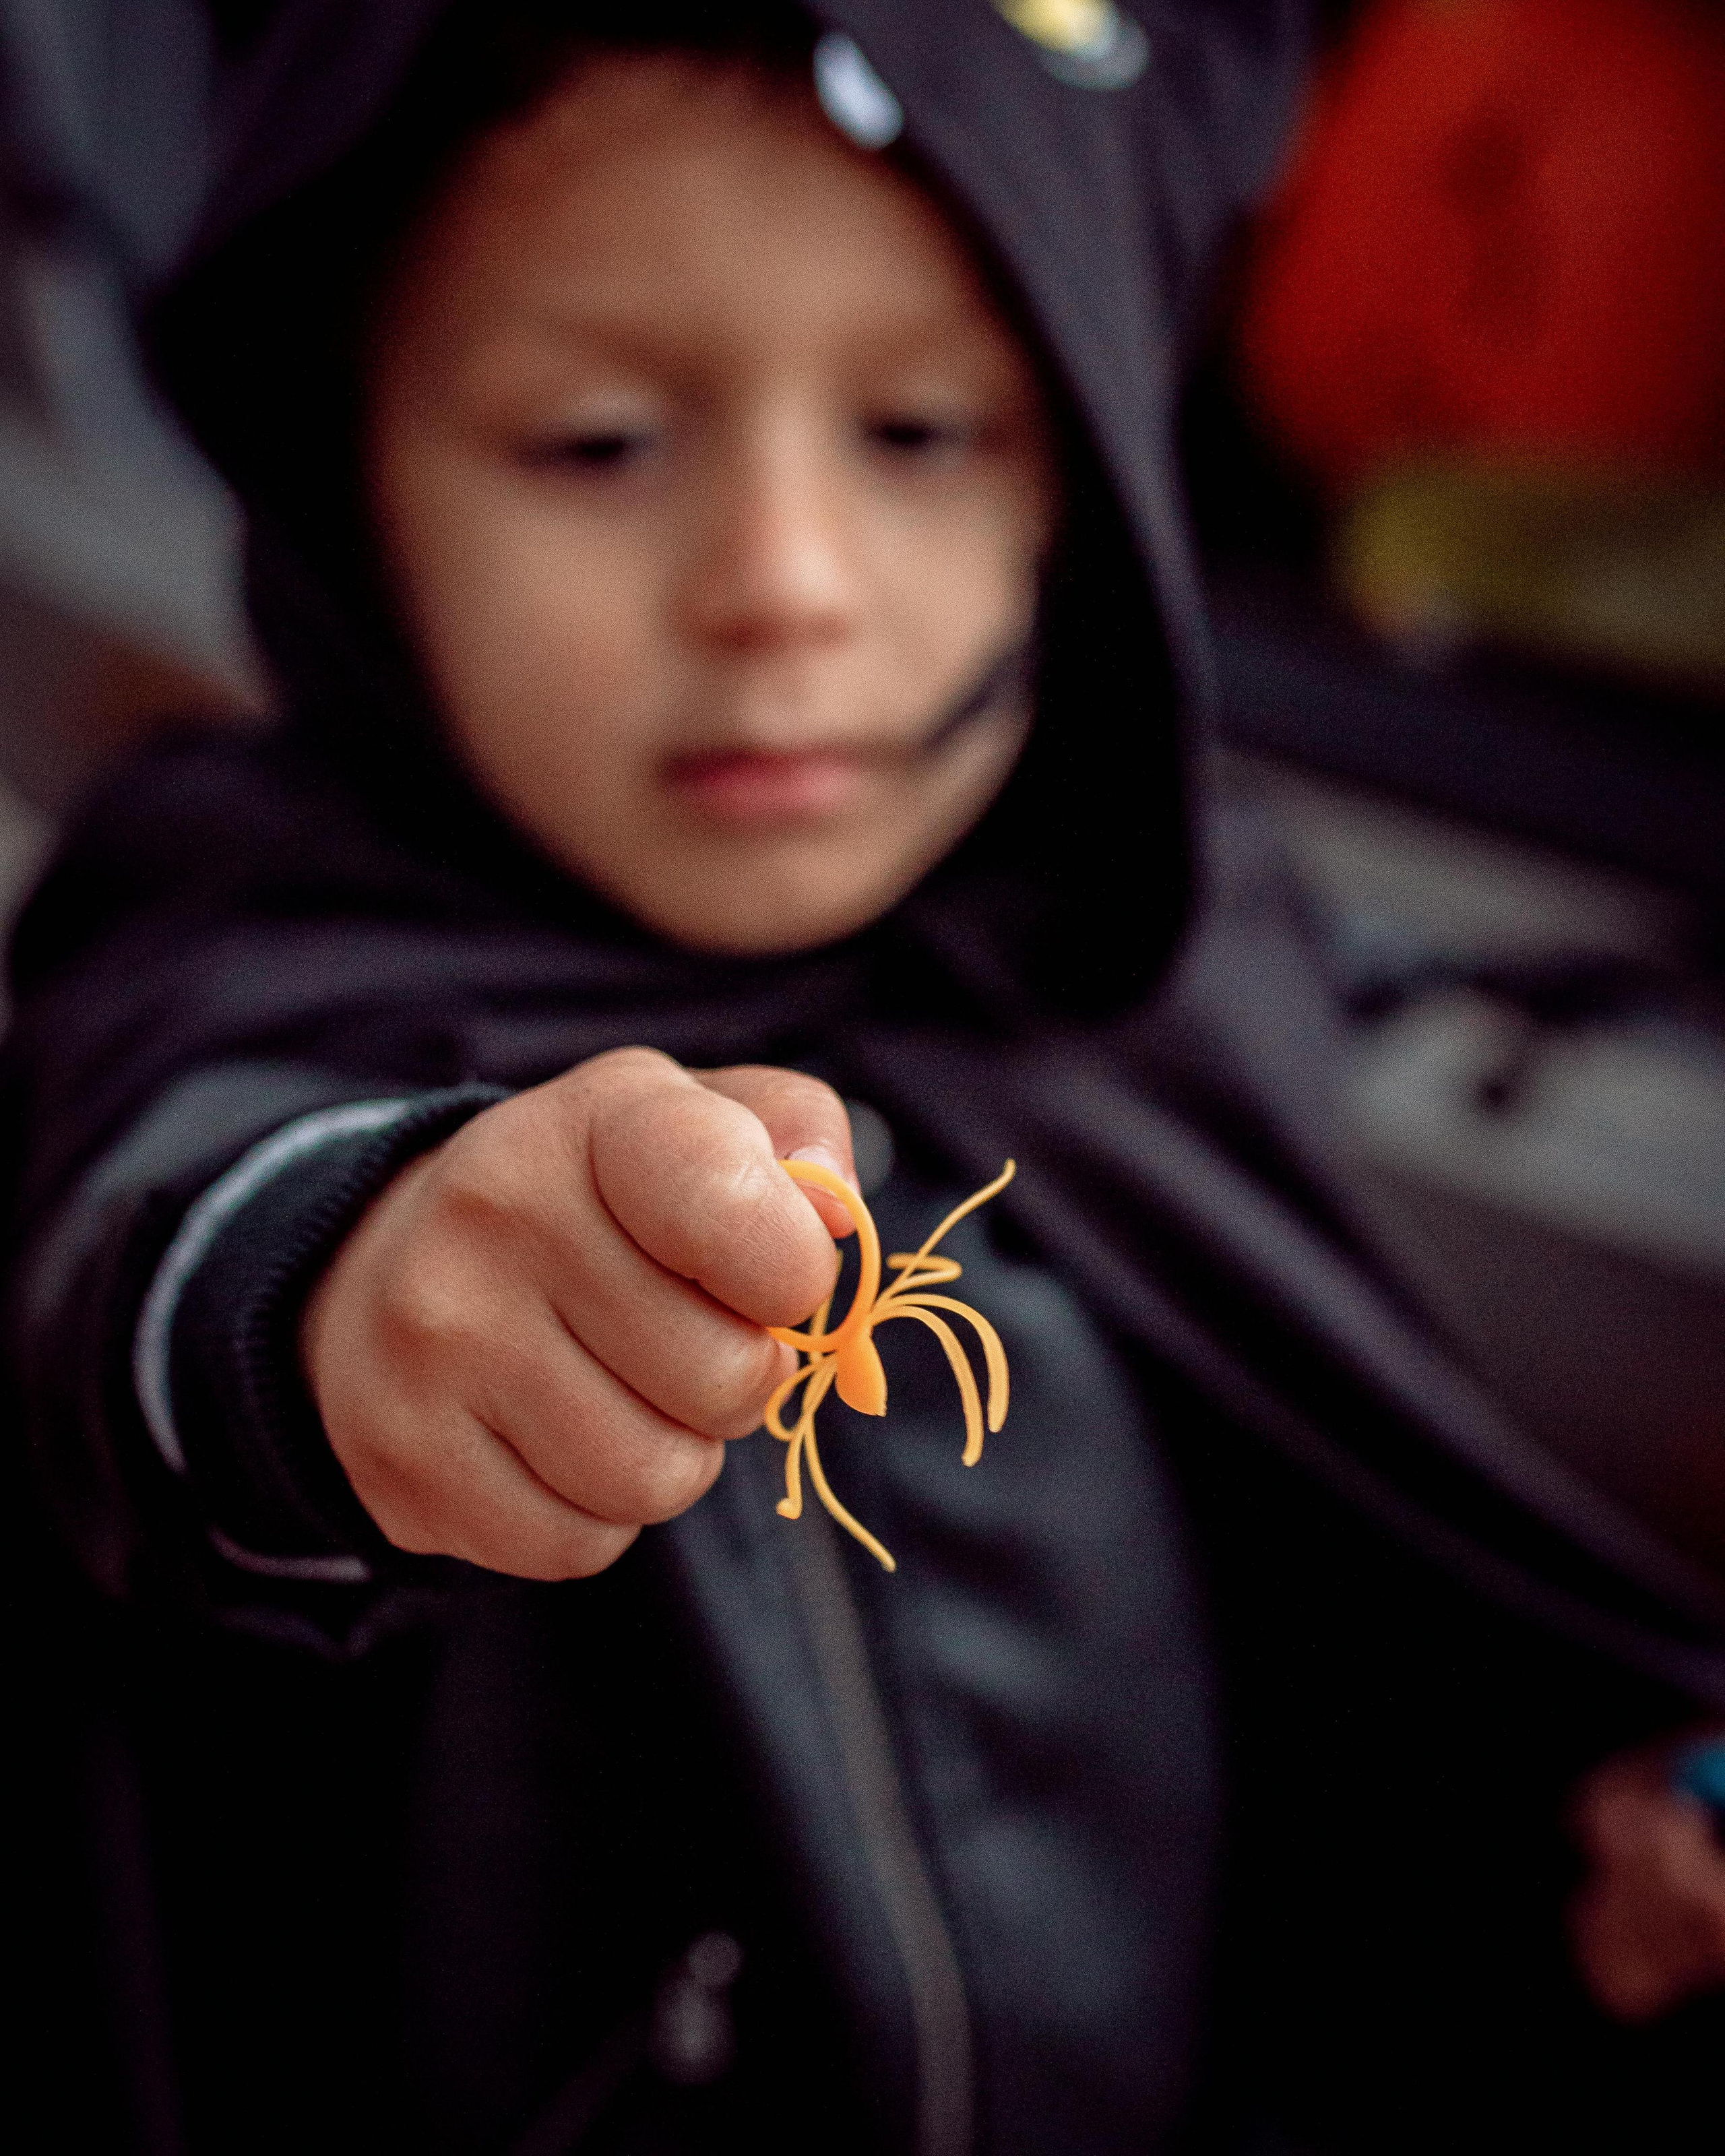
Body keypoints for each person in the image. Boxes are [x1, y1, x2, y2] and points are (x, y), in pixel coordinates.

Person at [3, 4, 1722, 2151]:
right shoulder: (228, 932)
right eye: (599, 442)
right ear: (355, 471)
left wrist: (1582, 1856)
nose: (785, 590)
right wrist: (360, 1300)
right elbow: (147, 1283)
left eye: (923, 434)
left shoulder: (1176, 963)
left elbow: (1332, 1646)